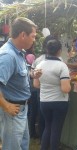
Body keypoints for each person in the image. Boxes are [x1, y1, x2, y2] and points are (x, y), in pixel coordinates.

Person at [0, 17, 42, 150]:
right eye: (33, 36)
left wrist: (32, 74)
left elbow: (18, 74)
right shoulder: (8, 56)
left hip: (22, 109)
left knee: (23, 145)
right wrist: (6, 106)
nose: (34, 40)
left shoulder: (19, 52)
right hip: (12, 110)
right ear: (23, 35)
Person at [33, 39, 71, 150]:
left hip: (44, 102)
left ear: (46, 50)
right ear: (59, 51)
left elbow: (36, 84)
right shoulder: (62, 66)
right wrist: (68, 81)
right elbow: (65, 89)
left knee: (48, 127)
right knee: (56, 129)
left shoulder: (39, 65)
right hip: (59, 102)